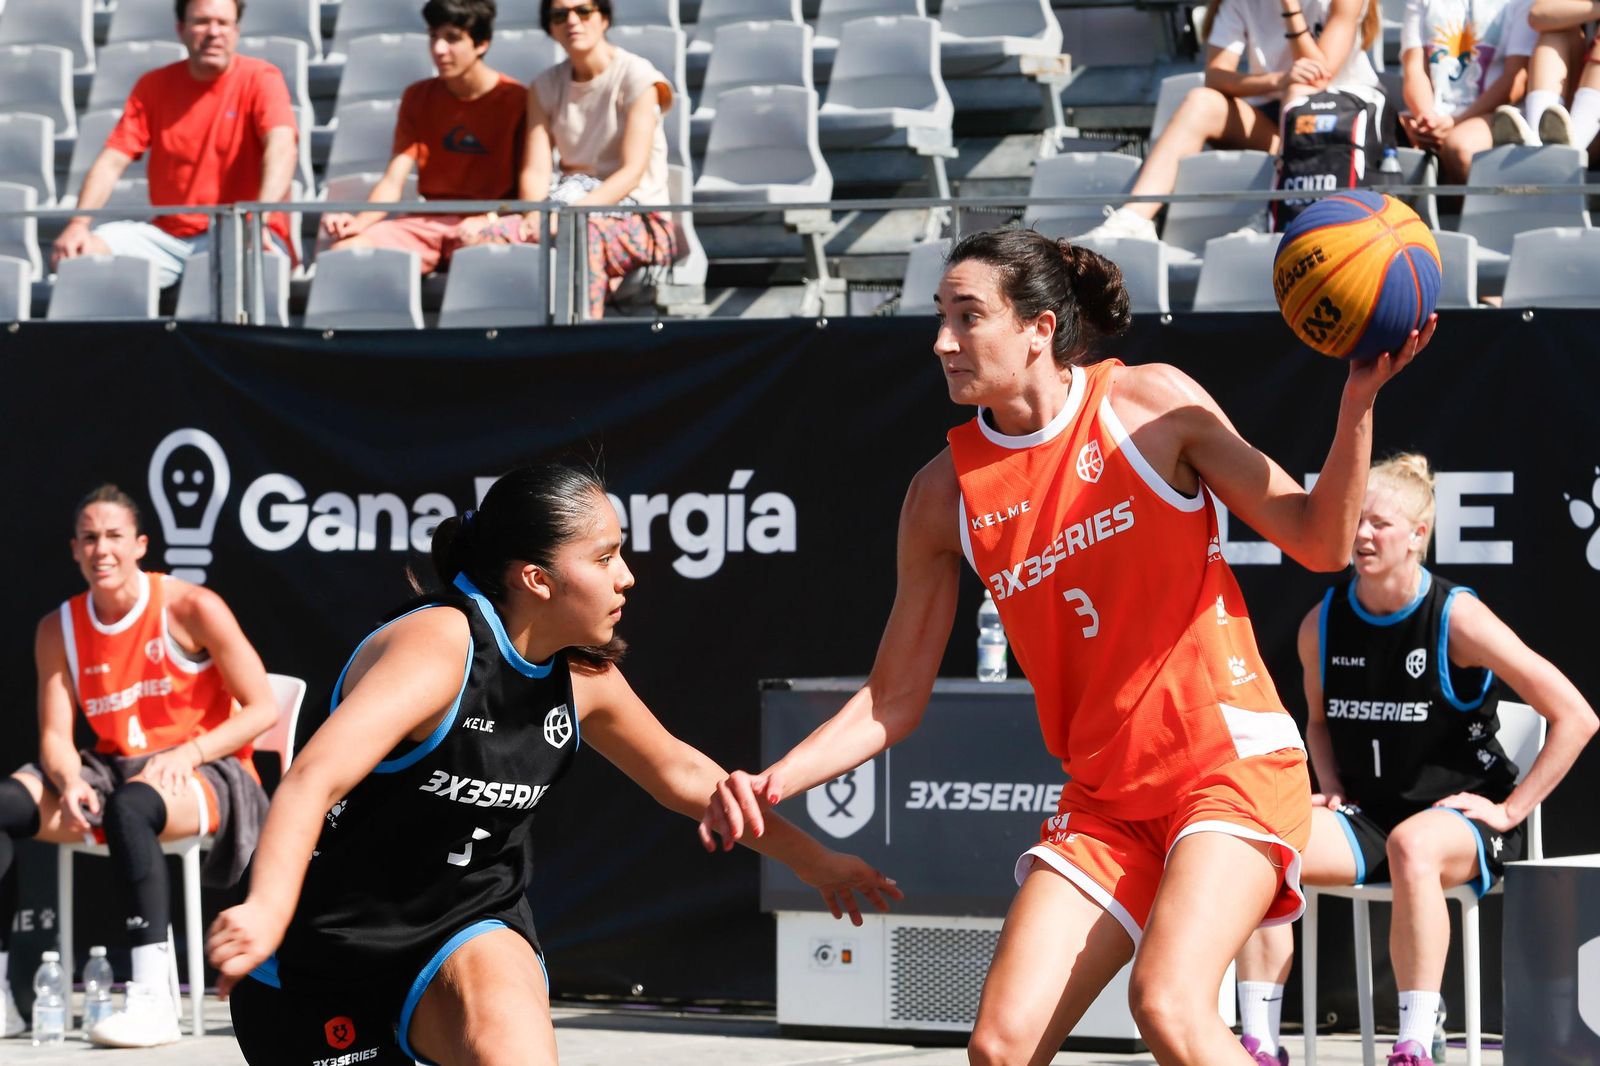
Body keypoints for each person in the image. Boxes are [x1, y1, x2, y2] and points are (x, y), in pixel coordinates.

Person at [700, 228, 1430, 1066]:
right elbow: (891, 698)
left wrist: (1357, 403)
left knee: (1167, 1005)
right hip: (1107, 800)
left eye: (967, 316)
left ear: (1039, 328)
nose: (942, 341)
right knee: (1000, 1048)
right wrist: (775, 781)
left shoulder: (1149, 405)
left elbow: (1320, 542)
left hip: (1227, 763)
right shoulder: (942, 495)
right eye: (940, 316)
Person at [206, 462, 901, 1065]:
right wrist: (266, 907)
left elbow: (687, 778)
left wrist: (815, 861)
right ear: (537, 578)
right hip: (318, 953)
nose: (627, 577)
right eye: (605, 557)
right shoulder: (439, 648)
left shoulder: (583, 678)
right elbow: (312, 779)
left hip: (466, 923)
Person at [1232, 454, 1597, 1066]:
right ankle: (1259, 1044)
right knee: (1261, 836)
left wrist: (1511, 810)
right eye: (1356, 520)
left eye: (1379, 523)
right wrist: (1330, 782)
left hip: (1460, 818)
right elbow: (1316, 722)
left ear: (1418, 535)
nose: (1362, 535)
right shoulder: (1322, 623)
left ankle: (1414, 1044)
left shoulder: (1457, 616)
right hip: (1368, 817)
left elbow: (1576, 715)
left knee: (1414, 845)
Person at [0, 485, 277, 1047]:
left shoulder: (191, 606)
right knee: (4, 802)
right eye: (89, 538)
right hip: (111, 769)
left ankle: (153, 999)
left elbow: (264, 708)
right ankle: (3, 995)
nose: (101, 549)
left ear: (140, 545)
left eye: (114, 536)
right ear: (74, 549)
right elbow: (55, 736)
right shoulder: (58, 627)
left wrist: (188, 753)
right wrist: (68, 779)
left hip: (207, 767)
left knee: (129, 808)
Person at [1083, 0, 1382, 241]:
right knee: (1200, 102)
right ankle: (1135, 218)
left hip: (1344, 121)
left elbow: (1319, 75)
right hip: (1277, 120)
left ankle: (1275, 212)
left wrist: (1290, 9)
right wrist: (1277, 80)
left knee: (1299, 90)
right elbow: (1216, 75)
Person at [51, 0, 298, 288]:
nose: (213, 32)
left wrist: (258, 219)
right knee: (82, 253)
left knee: (248, 264)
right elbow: (112, 161)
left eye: (223, 23)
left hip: (244, 232)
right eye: (201, 22)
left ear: (236, 31)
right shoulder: (154, 86)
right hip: (168, 239)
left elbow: (282, 147)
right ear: (181, 29)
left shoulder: (261, 78)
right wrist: (79, 224)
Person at [321, 0, 530, 274]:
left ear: (482, 44)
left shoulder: (518, 100)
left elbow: (531, 185)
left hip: (489, 221)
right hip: (428, 222)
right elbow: (393, 180)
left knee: (484, 255)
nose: (439, 49)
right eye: (433, 36)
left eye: (452, 38)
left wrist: (490, 218)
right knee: (345, 252)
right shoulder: (418, 97)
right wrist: (360, 222)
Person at [518, 0, 677, 319]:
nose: (572, 21)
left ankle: (581, 338)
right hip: (567, 211)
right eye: (559, 15)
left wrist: (568, 217)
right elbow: (535, 170)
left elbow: (631, 172)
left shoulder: (638, 77)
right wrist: (535, 216)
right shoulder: (544, 86)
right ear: (550, 27)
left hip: (642, 219)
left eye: (583, 11)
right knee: (484, 236)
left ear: (603, 18)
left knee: (581, 238)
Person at [1399, 0, 1537, 182]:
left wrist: (1456, 122)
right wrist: (1427, 120)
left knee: (1460, 147)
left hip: (1495, 113)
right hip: (1435, 116)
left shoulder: (1521, 3)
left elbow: (1517, 79)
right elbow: (1414, 68)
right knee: (1386, 135)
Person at [1489, 0, 1597, 152]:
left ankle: (1571, 150)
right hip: (1569, 109)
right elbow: (1539, 14)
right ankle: (1538, 141)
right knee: (1555, 32)